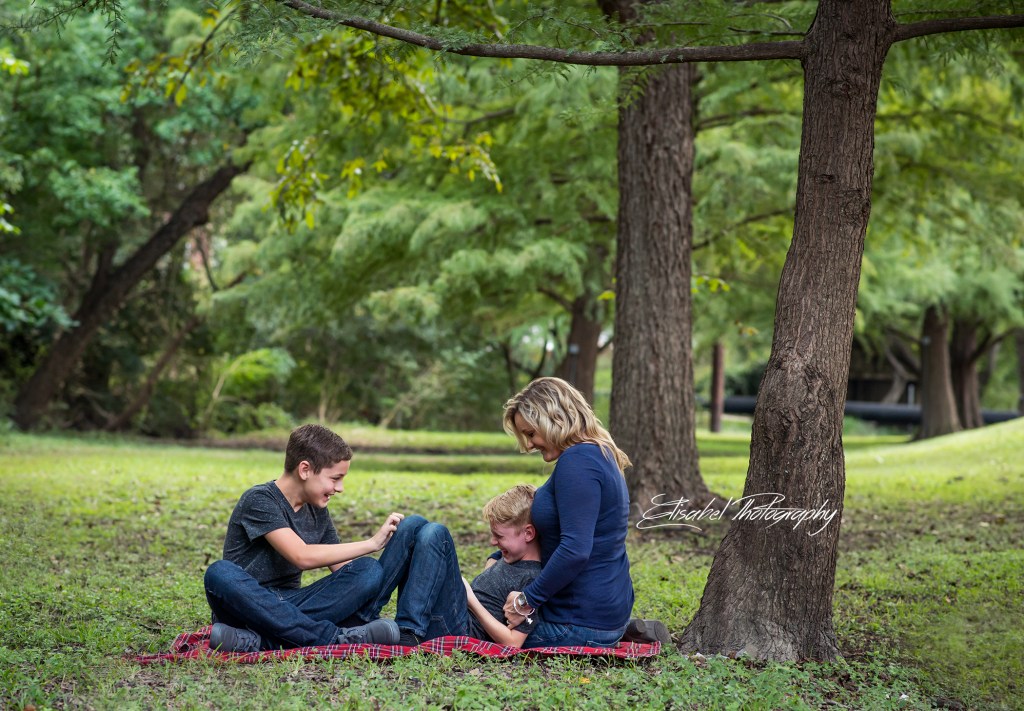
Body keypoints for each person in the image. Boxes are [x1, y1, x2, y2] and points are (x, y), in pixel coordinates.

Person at [500, 376, 671, 648]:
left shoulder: (578, 462)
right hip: (602, 611)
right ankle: (625, 630)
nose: (529, 445)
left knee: (478, 619)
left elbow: (575, 549)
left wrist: (525, 601)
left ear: (554, 419)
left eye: (531, 434)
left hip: (577, 621)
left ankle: (606, 635)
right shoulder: (599, 454)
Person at [203, 423, 405, 652]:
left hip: (292, 603)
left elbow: (344, 569)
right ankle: (331, 638)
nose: (340, 488)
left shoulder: (316, 509)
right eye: (335, 478)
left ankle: (263, 640)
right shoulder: (259, 500)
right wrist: (371, 544)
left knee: (368, 571)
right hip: (246, 606)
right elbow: (301, 556)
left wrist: (373, 579)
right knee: (220, 573)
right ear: (305, 470)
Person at [371, 485, 542, 648]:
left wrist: (471, 600)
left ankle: (410, 631)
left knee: (437, 534)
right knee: (413, 524)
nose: (492, 542)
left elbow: (512, 643)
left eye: (499, 536)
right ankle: (365, 613)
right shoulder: (510, 557)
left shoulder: (534, 581)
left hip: (462, 629)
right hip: (452, 614)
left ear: (528, 533)